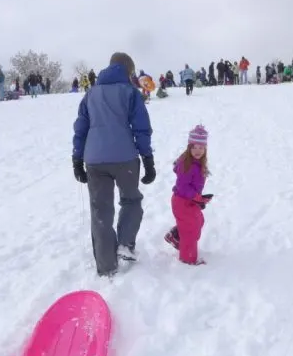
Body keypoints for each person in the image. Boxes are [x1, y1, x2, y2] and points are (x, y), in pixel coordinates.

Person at [72, 52, 156, 277]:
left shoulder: (91, 94)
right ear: (129, 71)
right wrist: (148, 158)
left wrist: (77, 159)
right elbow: (141, 128)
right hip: (124, 158)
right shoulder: (130, 92)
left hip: (94, 160)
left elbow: (81, 129)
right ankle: (125, 244)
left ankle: (107, 266)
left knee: (101, 211)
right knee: (131, 200)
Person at [164, 125, 212, 265]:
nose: (198, 151)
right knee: (190, 231)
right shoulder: (188, 165)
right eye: (194, 148)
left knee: (198, 222)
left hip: (189, 200)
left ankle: (175, 236)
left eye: (201, 148)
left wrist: (199, 199)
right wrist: (197, 198)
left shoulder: (197, 163)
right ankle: (188, 259)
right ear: (189, 148)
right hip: (182, 201)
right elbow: (182, 186)